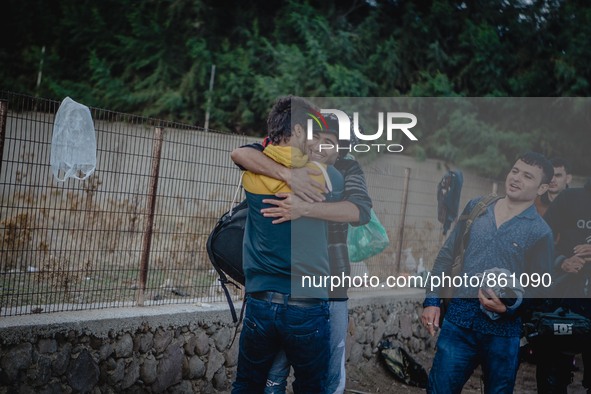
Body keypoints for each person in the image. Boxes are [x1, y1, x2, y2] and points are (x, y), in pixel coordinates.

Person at [231, 114, 373, 394]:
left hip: (329, 285)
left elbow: (358, 211)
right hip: (280, 288)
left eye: (330, 141)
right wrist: (288, 175)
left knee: (328, 372)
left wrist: (305, 208)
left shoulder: (346, 168)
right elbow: (241, 153)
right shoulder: (286, 159)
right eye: (316, 137)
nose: (320, 145)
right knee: (276, 374)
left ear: (341, 148)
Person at [421, 151, 555, 394]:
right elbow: (447, 255)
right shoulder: (477, 208)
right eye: (515, 171)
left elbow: (542, 289)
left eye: (527, 176)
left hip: (503, 335)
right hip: (458, 323)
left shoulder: (540, 232)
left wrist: (509, 308)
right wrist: (431, 300)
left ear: (542, 187)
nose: (516, 178)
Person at [535, 177, 591, 393]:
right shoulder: (570, 198)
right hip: (565, 302)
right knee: (552, 375)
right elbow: (539, 240)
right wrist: (562, 261)